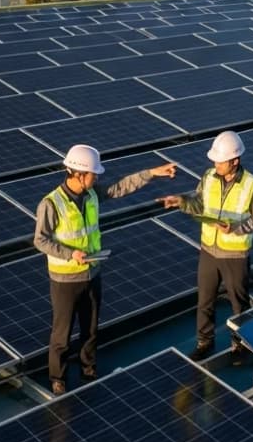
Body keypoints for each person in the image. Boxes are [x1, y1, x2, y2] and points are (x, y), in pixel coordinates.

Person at [35, 144, 176, 394]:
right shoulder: (51, 203)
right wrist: (71, 254)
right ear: (78, 174)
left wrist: (153, 172)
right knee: (62, 332)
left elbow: (121, 187)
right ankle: (58, 378)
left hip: (92, 273)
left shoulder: (91, 195)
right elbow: (41, 240)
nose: (97, 178)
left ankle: (88, 369)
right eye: (93, 174)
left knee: (90, 327)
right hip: (65, 279)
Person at [160, 130, 253, 363]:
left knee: (239, 303)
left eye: (220, 161)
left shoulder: (251, 184)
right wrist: (181, 201)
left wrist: (235, 228)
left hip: (235, 254)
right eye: (215, 161)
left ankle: (240, 345)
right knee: (205, 300)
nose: (216, 164)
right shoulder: (208, 176)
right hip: (209, 250)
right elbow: (198, 201)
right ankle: (204, 342)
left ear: (235, 160)